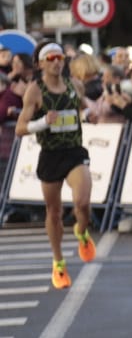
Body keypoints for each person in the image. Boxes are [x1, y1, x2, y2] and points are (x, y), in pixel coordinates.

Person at [17, 43, 98, 289]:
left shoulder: (75, 85)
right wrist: (42, 122)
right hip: (50, 155)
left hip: (74, 152)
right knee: (54, 212)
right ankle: (58, 262)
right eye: (50, 58)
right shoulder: (35, 91)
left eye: (59, 57)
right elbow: (21, 128)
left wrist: (90, 113)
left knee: (82, 202)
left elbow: (84, 107)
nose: (56, 62)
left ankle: (82, 233)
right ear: (41, 63)